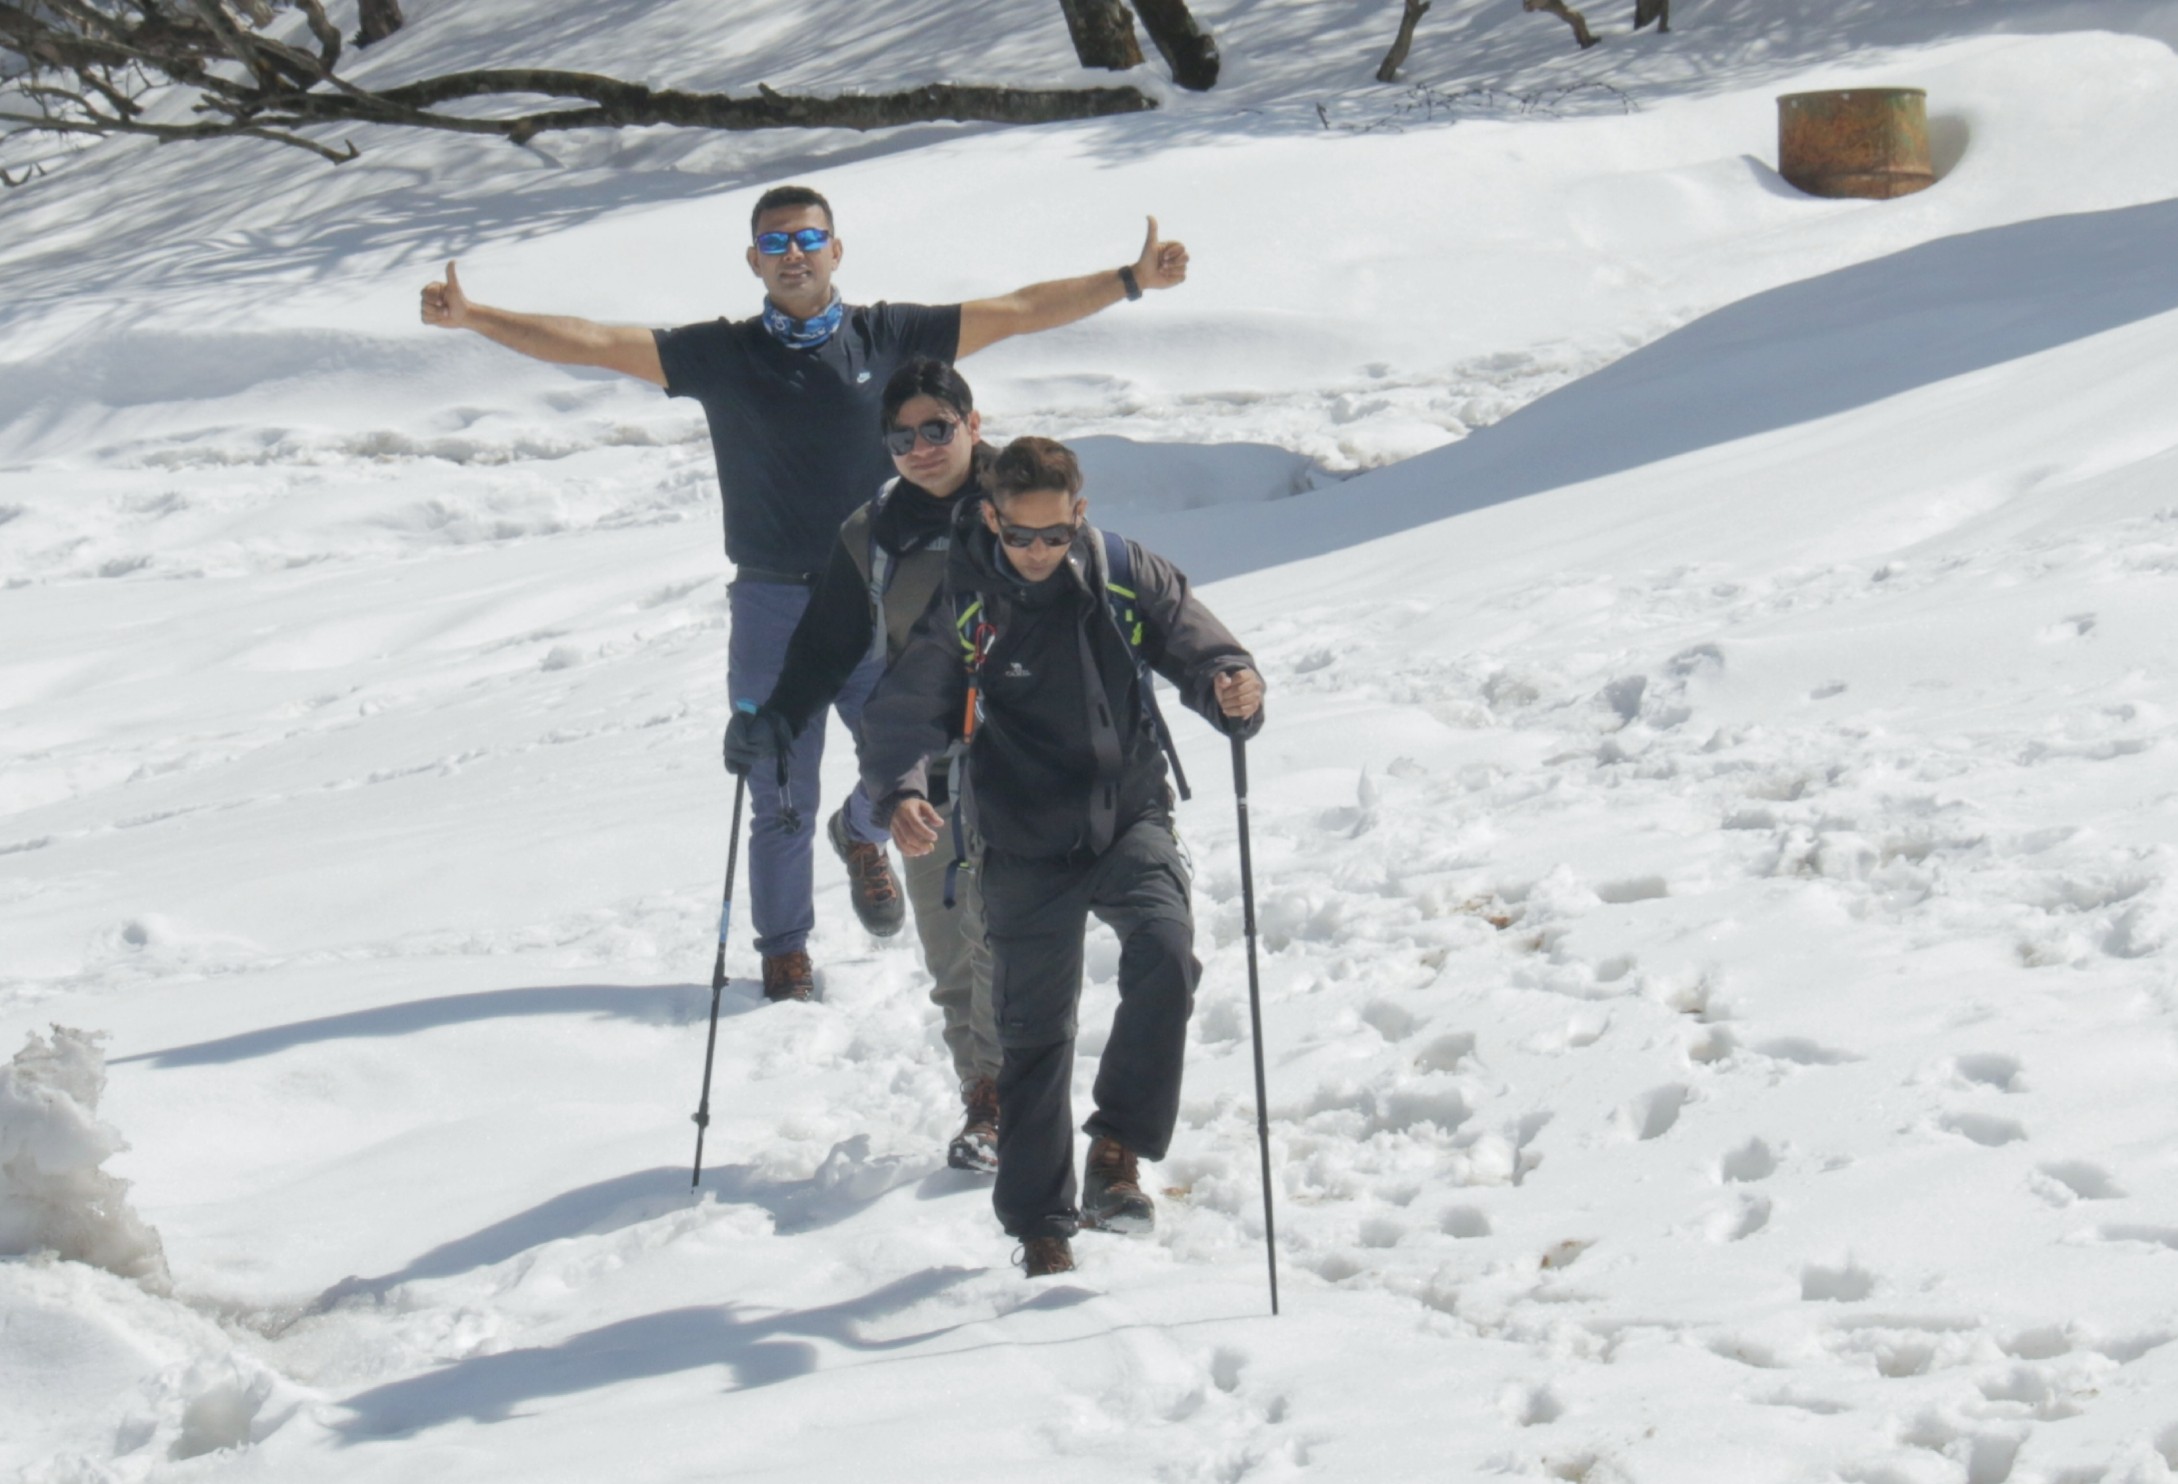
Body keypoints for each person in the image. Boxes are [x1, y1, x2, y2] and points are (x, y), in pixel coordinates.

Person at [420, 184, 1190, 1002]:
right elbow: (597, 342)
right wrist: (478, 319)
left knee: (915, 769)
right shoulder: (723, 353)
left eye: (808, 239)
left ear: (836, 249)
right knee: (776, 778)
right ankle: (784, 953)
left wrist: (1130, 279)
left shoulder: (890, 335)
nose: (794, 254)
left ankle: (860, 835)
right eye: (776, 243)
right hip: (772, 602)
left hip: (881, 595)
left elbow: (1018, 309)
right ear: (754, 260)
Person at [857, 436, 1265, 1278]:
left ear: (1078, 516)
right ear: (992, 518)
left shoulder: (1121, 569)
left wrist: (1230, 680)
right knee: (1033, 1035)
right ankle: (1042, 1226)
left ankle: (1118, 1149)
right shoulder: (966, 596)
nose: (1037, 553)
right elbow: (906, 709)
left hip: (1127, 815)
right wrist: (900, 792)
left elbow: (1197, 643)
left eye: (1052, 535)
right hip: (1021, 838)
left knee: (1164, 953)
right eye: (1019, 536)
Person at [725, 357, 1003, 1171]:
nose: (920, 447)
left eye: (937, 429)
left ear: (972, 423)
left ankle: (1030, 1102)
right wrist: (773, 719)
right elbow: (825, 644)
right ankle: (987, 1103)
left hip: (1028, 762)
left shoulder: (1025, 500)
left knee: (1012, 942)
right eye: (901, 435)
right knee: (954, 950)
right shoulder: (873, 531)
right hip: (923, 769)